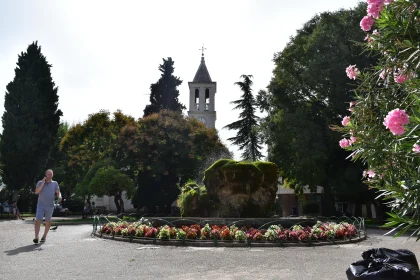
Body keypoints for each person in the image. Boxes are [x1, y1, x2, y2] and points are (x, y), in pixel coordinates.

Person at [33, 169, 61, 244]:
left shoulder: (55, 183)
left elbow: (58, 192)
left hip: (50, 205)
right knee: (38, 220)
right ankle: (36, 237)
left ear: (52, 175)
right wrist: (42, 183)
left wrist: (60, 196)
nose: (49, 176)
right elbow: (36, 192)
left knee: (48, 221)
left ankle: (44, 236)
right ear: (45, 175)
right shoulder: (40, 182)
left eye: (50, 174)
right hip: (40, 205)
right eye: (48, 174)